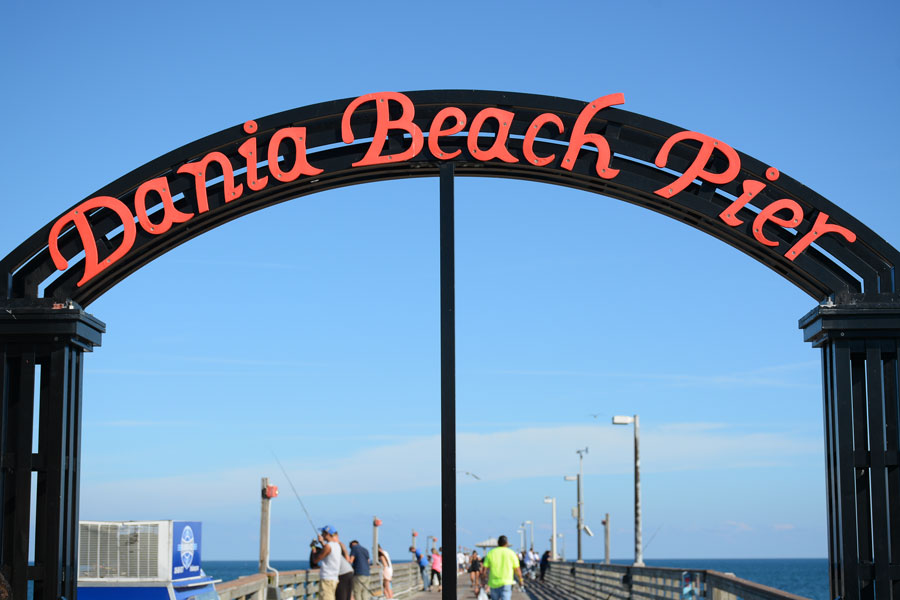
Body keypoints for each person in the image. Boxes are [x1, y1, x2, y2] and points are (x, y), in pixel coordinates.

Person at [481, 535, 524, 600]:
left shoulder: (491, 553)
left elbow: (484, 568)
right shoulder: (511, 553)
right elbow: (517, 569)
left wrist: (483, 580)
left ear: (498, 543)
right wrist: (521, 580)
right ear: (507, 543)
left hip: (493, 583)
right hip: (507, 582)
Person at [313, 525, 343, 600]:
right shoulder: (337, 546)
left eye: (323, 533)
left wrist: (313, 548)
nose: (322, 534)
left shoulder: (328, 546)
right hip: (334, 578)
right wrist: (322, 542)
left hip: (327, 579)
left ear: (327, 534)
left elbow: (315, 560)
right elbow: (328, 551)